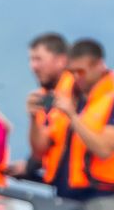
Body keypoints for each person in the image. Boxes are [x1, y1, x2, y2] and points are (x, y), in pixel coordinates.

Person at [36, 38, 114, 210]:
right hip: (66, 198)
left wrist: (73, 117)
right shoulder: (73, 100)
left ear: (98, 65)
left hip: (103, 199)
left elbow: (104, 149)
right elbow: (43, 147)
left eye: (81, 71)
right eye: (72, 72)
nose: (77, 77)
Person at [8, 32, 73, 180]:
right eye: (31, 60)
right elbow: (43, 147)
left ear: (61, 60)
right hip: (62, 185)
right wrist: (32, 115)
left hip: (87, 189)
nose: (33, 67)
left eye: (38, 59)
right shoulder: (48, 96)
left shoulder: (76, 92)